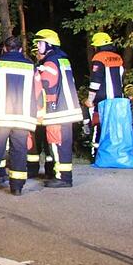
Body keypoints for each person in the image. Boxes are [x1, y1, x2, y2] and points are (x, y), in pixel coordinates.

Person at [0, 36, 45, 195]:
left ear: (5, 48)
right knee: (20, 151)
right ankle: (17, 186)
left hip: (1, 115)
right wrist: (40, 114)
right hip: (24, 117)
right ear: (21, 49)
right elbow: (39, 93)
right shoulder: (31, 66)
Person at [33, 29, 82, 187]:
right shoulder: (62, 59)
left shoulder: (50, 62)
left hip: (57, 110)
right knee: (63, 144)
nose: (37, 46)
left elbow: (47, 85)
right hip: (67, 108)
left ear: (48, 44)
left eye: (39, 43)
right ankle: (62, 175)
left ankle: (63, 178)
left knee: (57, 143)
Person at [85, 32, 126, 155]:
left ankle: (96, 154)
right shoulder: (118, 58)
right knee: (115, 126)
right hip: (118, 99)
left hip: (102, 100)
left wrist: (90, 99)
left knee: (98, 126)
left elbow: (95, 82)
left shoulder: (99, 58)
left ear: (97, 46)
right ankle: (114, 153)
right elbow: (121, 78)